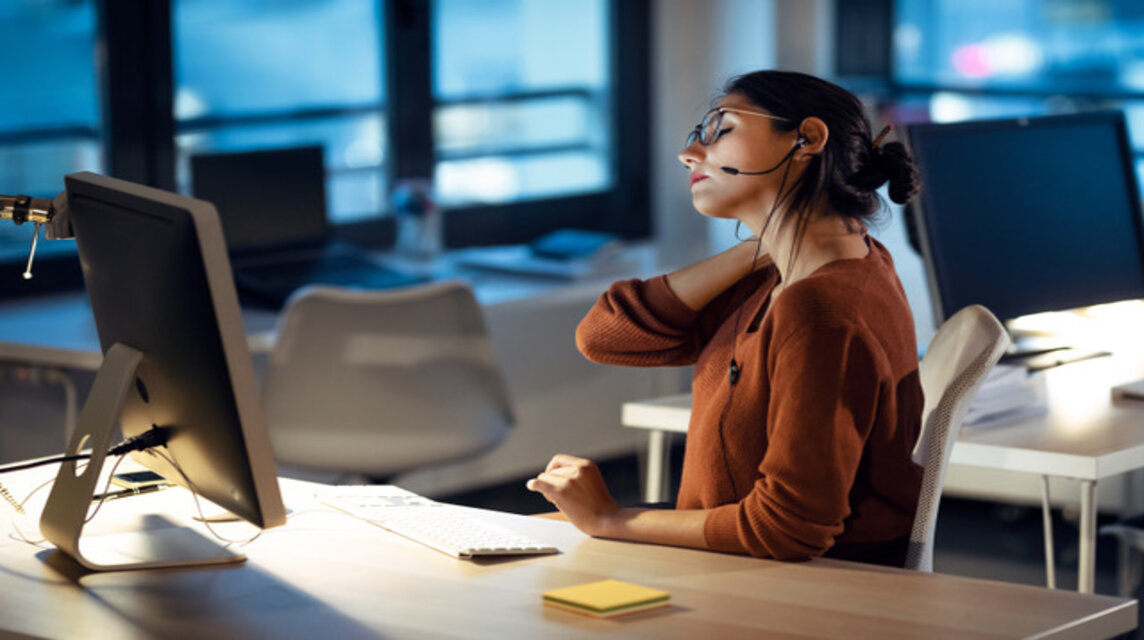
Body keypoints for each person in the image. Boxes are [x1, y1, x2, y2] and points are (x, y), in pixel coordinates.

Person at [525, 70, 924, 567]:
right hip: (734, 561)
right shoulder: (812, 268)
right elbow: (607, 337)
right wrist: (767, 245)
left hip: (784, 588)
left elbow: (788, 529)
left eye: (722, 129)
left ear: (808, 138)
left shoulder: (820, 308)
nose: (689, 154)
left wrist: (610, 518)